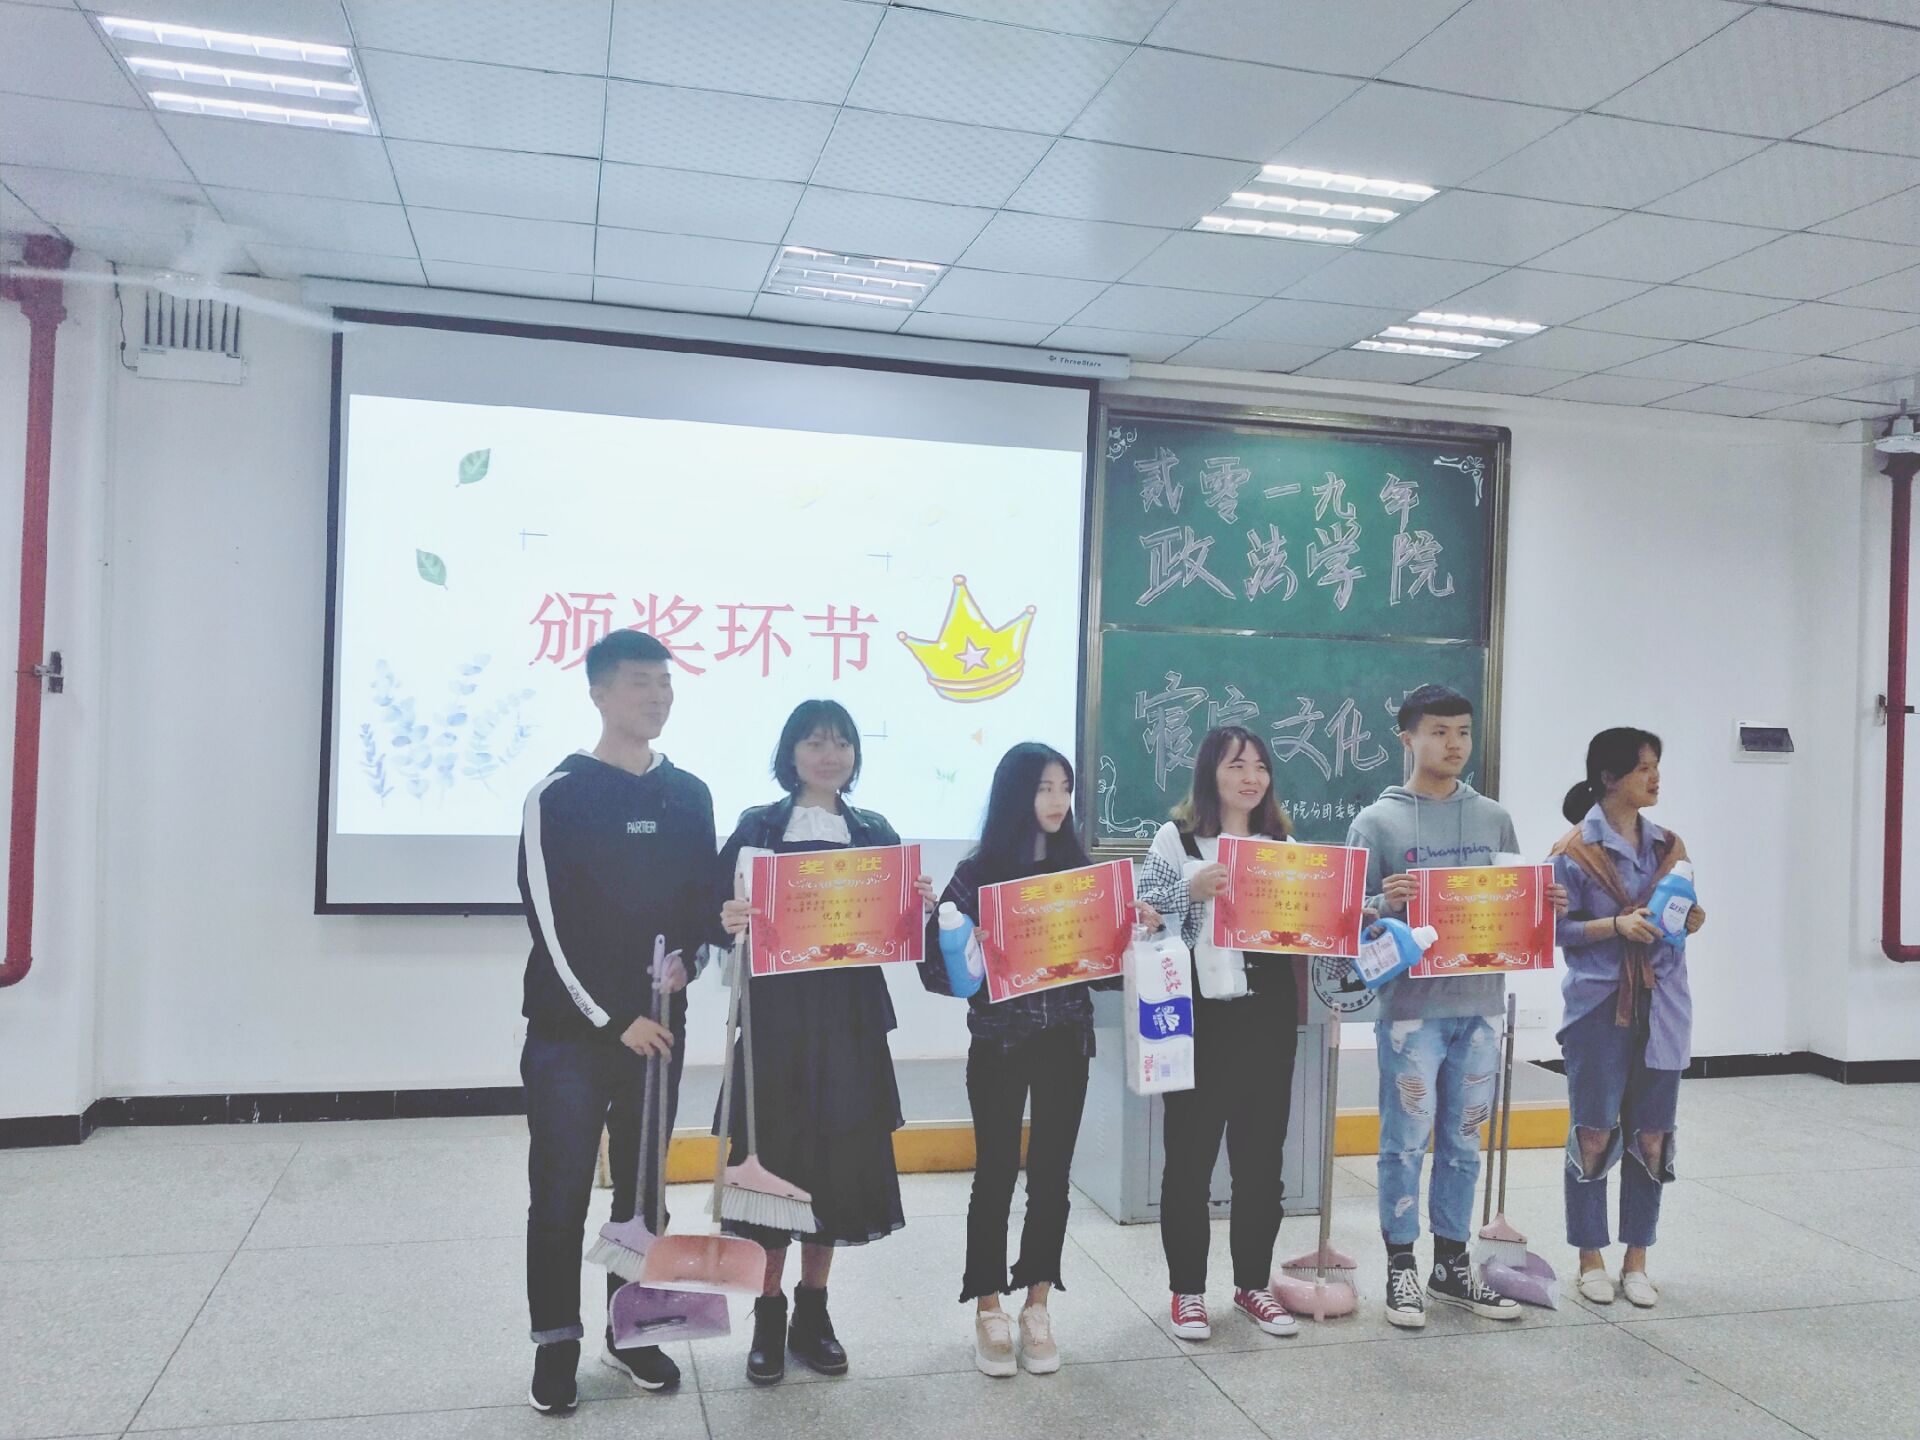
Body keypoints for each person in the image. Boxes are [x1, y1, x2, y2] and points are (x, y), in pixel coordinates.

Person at [518, 630, 717, 1415]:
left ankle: (631, 1332)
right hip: (571, 1036)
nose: (657, 696)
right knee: (559, 1195)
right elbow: (551, 927)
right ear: (599, 693)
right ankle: (555, 1345)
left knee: (643, 1196)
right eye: (640, 682)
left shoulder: (690, 793)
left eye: (665, 682)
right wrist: (613, 1018)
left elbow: (701, 905)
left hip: (660, 1029)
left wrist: (692, 958)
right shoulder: (558, 795)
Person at [921, 743, 1159, 1377]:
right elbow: (937, 976)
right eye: (1044, 788)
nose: (1057, 801)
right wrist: (961, 946)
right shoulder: (976, 875)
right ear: (1015, 794)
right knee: (996, 1172)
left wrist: (1136, 932)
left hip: (1065, 1041)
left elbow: (1106, 976)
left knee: (1052, 1175)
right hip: (998, 1043)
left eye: (1065, 788)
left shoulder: (1082, 874)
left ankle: (1037, 1304)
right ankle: (988, 1307)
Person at [716, 699, 935, 1385]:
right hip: (777, 1023)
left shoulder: (874, 831)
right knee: (775, 1162)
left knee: (838, 1166)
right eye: (814, 742)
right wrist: (729, 915)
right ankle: (768, 1313)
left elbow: (898, 932)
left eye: (841, 742)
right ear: (791, 753)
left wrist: (917, 904)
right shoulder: (758, 827)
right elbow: (711, 914)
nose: (829, 755)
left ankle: (814, 1310)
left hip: (849, 1021)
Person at [1345, 683, 1566, 1331]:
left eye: (1463, 732)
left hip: (1481, 1004)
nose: (1454, 744)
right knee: (1405, 1140)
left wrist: (1543, 905)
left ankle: (1450, 1263)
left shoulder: (1494, 817)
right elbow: (1346, 924)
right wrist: (1383, 902)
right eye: (1439, 732)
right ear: (1407, 738)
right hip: (1411, 1011)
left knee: (1465, 1140)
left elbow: (1512, 904)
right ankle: (1400, 1265)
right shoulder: (1375, 823)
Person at [1136, 725, 1303, 1342]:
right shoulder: (1175, 838)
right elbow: (1142, 912)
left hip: (1268, 1015)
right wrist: (1190, 888)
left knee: (1261, 1160)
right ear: (1211, 773)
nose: (1251, 777)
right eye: (1236, 765)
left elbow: (1306, 922)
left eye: (1260, 766)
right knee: (1189, 1158)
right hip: (1197, 1017)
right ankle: (1187, 1291)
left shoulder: (1282, 845)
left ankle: (1253, 1283)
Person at [1551, 728, 1705, 1309]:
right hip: (1598, 1006)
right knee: (1593, 1131)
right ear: (1609, 777)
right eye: (1643, 768)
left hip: (1664, 1002)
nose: (1655, 777)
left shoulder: (1670, 846)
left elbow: (1679, 915)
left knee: (1653, 1134)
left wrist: (1690, 920)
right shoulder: (1572, 852)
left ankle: (1638, 1258)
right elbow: (1554, 932)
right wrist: (1614, 926)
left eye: (1656, 766)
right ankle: (1589, 1256)